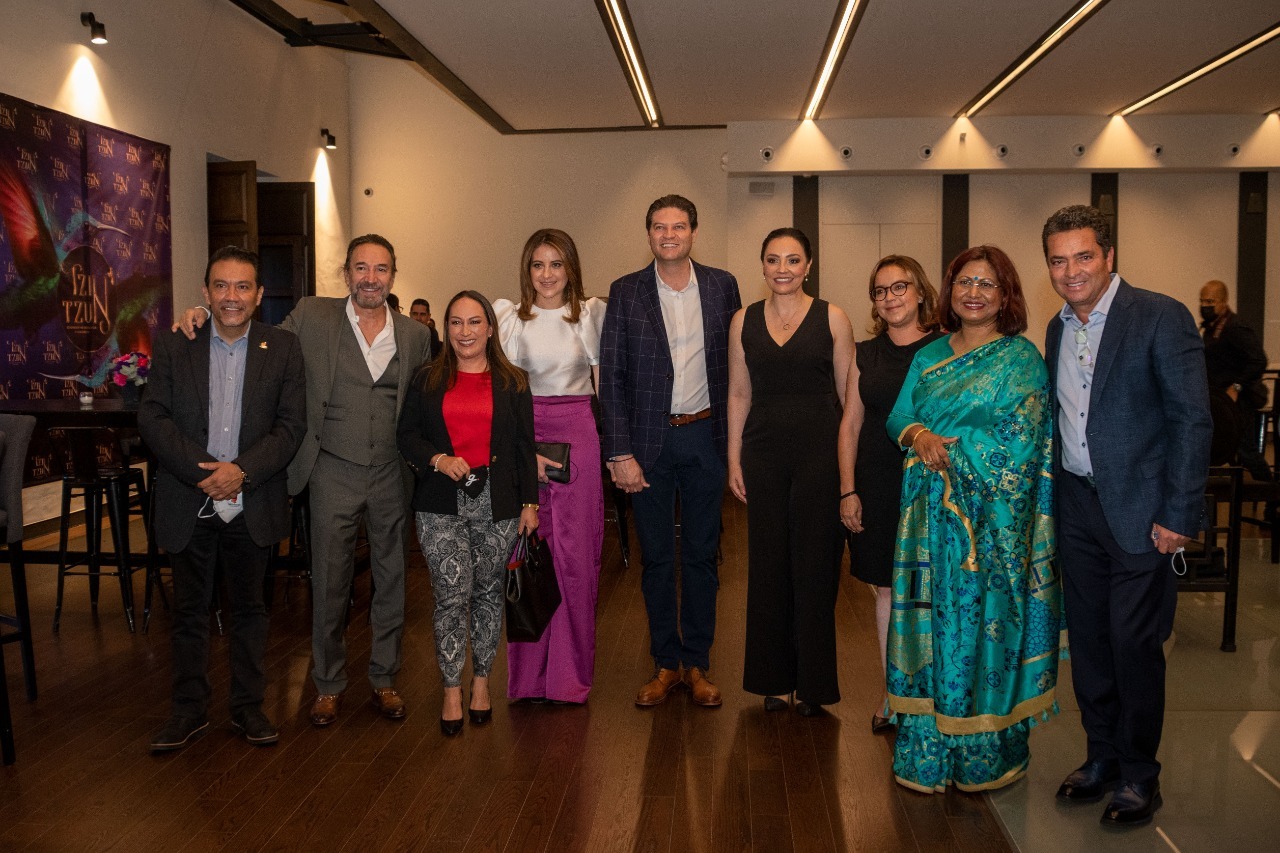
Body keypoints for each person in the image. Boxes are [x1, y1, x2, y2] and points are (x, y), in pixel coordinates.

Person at [177, 234, 433, 727]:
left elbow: (423, 404)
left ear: (393, 276)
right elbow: (253, 336)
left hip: (392, 472)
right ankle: (328, 684)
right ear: (346, 274)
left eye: (381, 269)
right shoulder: (313, 316)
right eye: (361, 268)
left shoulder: (415, 335)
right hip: (330, 467)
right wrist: (204, 314)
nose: (371, 278)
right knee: (330, 580)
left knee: (392, 579)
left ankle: (384, 678)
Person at [1044, 206, 1211, 826]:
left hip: (1144, 511)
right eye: (1058, 260)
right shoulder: (1057, 328)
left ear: (1109, 256)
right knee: (1088, 642)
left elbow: (1192, 419)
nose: (1071, 271)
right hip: (1078, 507)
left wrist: (1180, 512)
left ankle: (1140, 773)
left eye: (1083, 256)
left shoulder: (1160, 316)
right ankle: (1102, 757)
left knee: (1133, 644)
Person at [885, 244, 1061, 793]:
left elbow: (1025, 442)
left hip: (990, 531)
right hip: (926, 522)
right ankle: (926, 751)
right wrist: (919, 435)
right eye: (964, 282)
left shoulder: (1021, 360)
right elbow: (898, 414)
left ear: (1006, 295)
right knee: (929, 623)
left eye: (987, 284)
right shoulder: (930, 354)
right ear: (949, 290)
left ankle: (984, 750)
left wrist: (955, 455)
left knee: (980, 624)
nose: (974, 293)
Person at [141, 246, 306, 751]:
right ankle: (188, 711)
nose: (231, 296)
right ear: (205, 291)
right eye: (221, 285)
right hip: (188, 497)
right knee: (188, 612)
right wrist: (205, 474)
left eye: (242, 286)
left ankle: (248, 707)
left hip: (251, 500)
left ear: (259, 294)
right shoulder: (176, 344)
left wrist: (241, 472)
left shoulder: (283, 348)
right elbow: (153, 417)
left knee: (251, 612)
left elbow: (291, 426)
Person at [599, 194, 742, 708]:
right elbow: (611, 376)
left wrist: (737, 448)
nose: (669, 235)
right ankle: (665, 662)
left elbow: (737, 367)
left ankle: (697, 663)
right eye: (659, 227)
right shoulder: (626, 291)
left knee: (703, 556)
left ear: (694, 233)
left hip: (706, 437)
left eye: (678, 226)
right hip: (646, 445)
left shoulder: (723, 286)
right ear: (649, 235)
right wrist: (619, 452)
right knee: (657, 558)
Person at [397, 290, 539, 736]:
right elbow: (407, 435)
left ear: (490, 329)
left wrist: (530, 504)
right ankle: (450, 689)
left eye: (474, 322)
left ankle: (481, 683)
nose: (465, 332)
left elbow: (524, 447)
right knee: (451, 595)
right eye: (455, 322)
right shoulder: (426, 379)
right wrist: (438, 459)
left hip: (499, 502)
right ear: (446, 329)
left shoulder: (514, 381)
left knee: (488, 593)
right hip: (440, 502)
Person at [727, 228, 853, 715]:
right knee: (768, 566)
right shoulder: (743, 320)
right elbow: (739, 393)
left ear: (809, 266)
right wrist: (734, 458)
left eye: (793, 260)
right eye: (773, 259)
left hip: (820, 455)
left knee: (816, 567)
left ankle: (814, 685)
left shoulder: (833, 318)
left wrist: (849, 473)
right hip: (762, 455)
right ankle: (774, 681)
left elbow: (849, 400)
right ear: (762, 265)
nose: (783, 269)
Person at [495, 229, 605, 704]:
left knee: (575, 556)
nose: (546, 274)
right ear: (527, 269)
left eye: (556, 264)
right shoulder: (508, 318)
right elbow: (500, 393)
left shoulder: (591, 315)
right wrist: (519, 453)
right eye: (538, 265)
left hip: (578, 433)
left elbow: (604, 387)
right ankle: (529, 679)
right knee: (527, 551)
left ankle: (568, 678)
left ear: (570, 268)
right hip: (525, 432)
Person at [837, 254, 943, 733]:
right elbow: (850, 424)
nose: (890, 297)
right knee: (887, 588)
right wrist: (848, 490)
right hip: (878, 482)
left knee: (936, 588)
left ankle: (940, 692)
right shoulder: (865, 354)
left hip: (935, 483)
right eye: (880, 291)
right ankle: (894, 693)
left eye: (899, 287)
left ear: (920, 292)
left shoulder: (947, 348)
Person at [1200, 279, 1271, 479]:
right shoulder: (1211, 327)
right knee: (1219, 447)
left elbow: (1258, 360)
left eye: (1210, 302)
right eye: (1202, 301)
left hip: (1239, 401)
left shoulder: (1235, 327)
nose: (1205, 306)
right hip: (1220, 401)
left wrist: (1237, 386)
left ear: (1223, 302)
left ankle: (1270, 490)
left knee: (1245, 450)